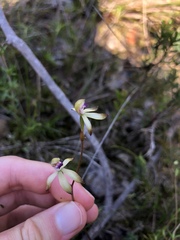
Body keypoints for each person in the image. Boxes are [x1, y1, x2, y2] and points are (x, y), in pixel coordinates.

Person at [0, 156, 98, 240]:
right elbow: (49, 184)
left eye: (57, 163)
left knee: (72, 189)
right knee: (69, 191)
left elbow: (74, 178)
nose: (56, 164)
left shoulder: (61, 172)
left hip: (63, 174)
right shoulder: (52, 177)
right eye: (55, 164)